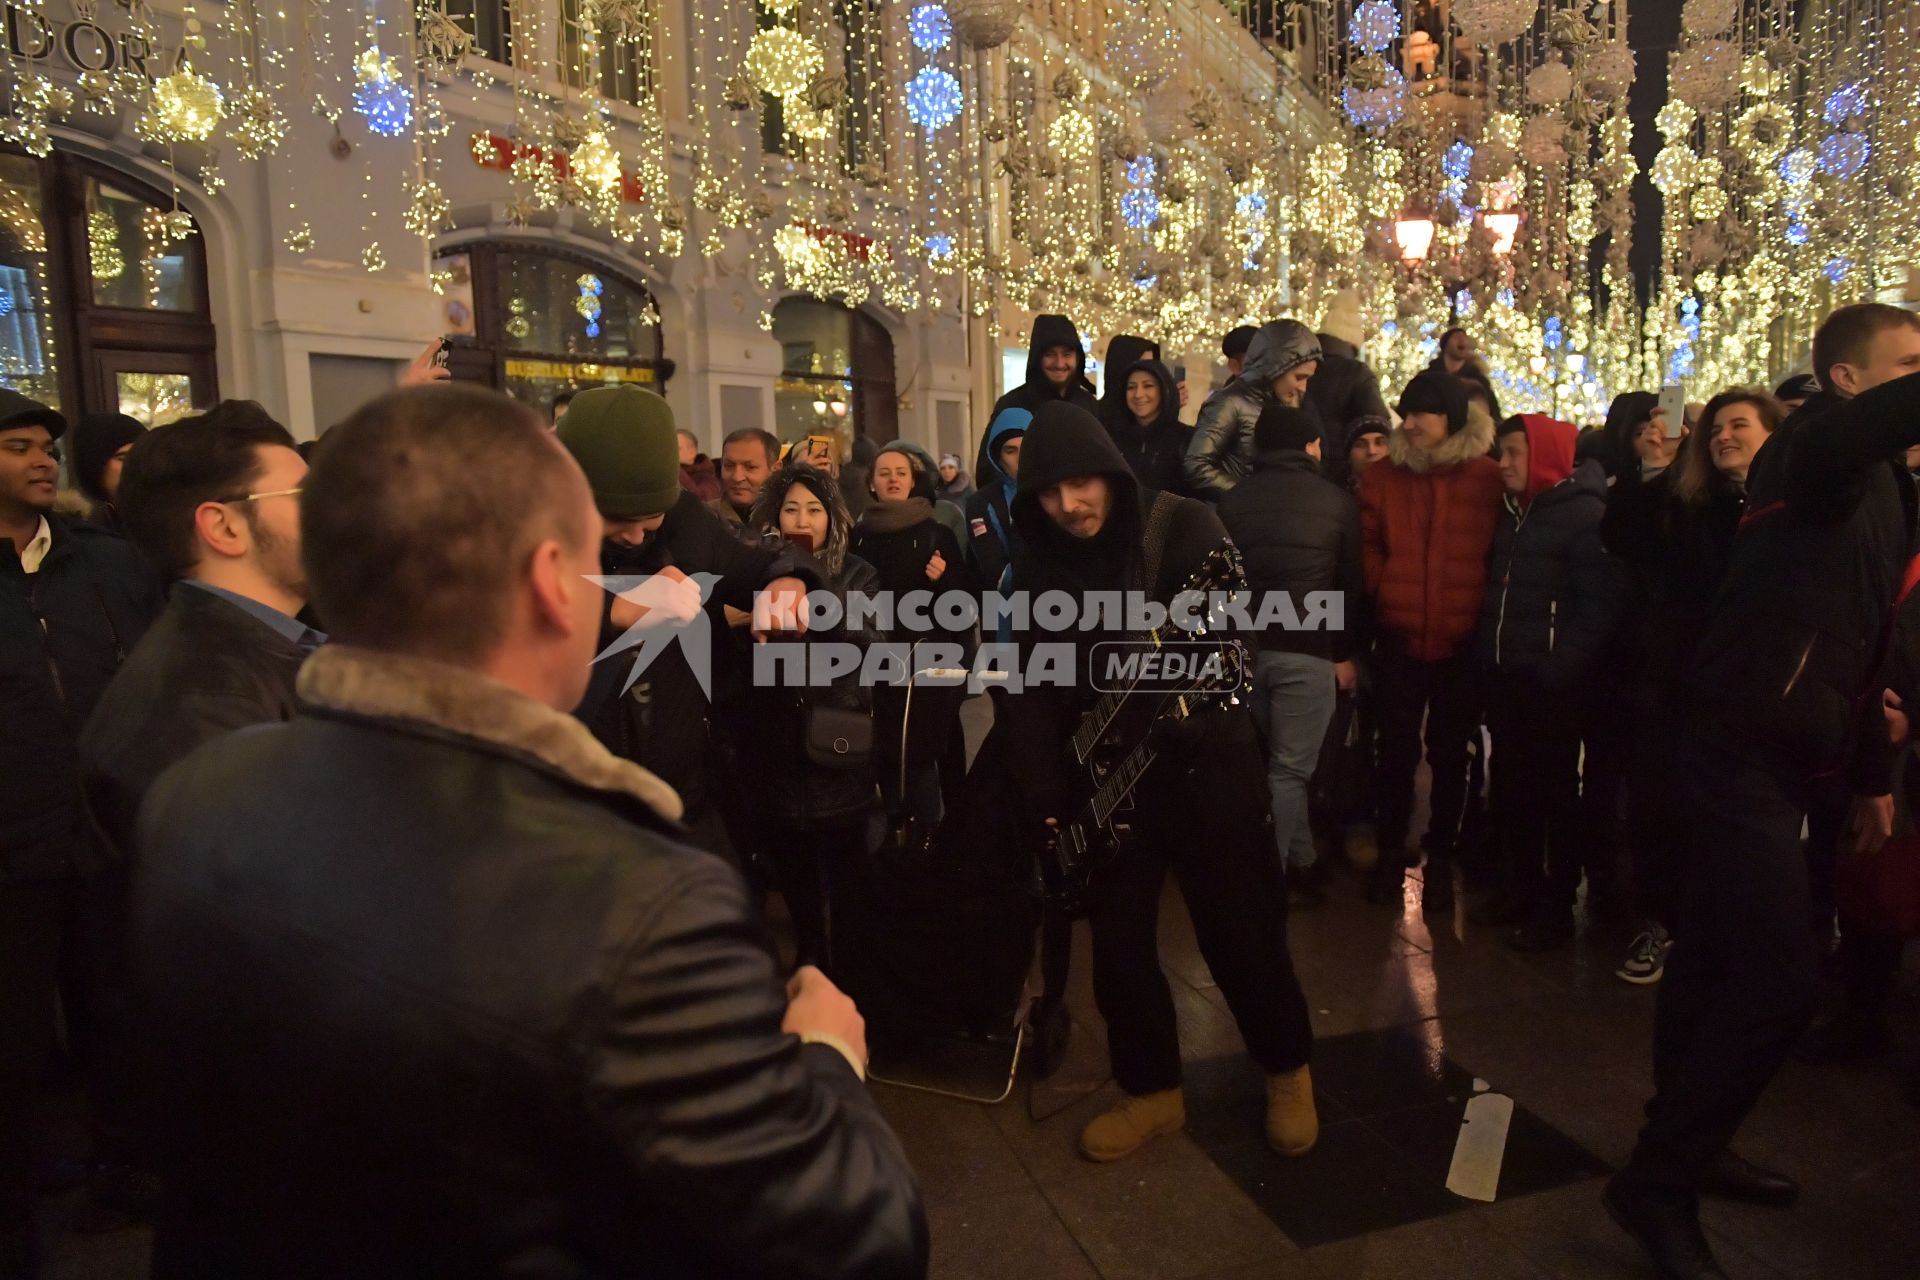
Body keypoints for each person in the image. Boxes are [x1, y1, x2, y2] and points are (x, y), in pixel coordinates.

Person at [126, 383, 926, 1278]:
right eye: (600, 553)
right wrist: (824, 1057)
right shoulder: (644, 908)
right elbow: (854, 1235)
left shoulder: (198, 793)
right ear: (554, 584)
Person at [1606, 306, 1920, 1279]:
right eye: (1909, 364)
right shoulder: (1813, 452)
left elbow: (1860, 647)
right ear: (1847, 379)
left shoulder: (1885, 491)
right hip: (1736, 744)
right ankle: (1658, 1180)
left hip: (1792, 752)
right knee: (1783, 978)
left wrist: (1873, 776)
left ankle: (1689, 1145)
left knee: (1707, 951)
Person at [999, 401, 1317, 1164]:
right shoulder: (1039, 559)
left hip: (1210, 771)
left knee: (1242, 932)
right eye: (1048, 493)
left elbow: (1228, 649)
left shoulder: (1183, 527)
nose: (1068, 507)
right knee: (1120, 952)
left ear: (1109, 472)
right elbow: (1034, 686)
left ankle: (1287, 1071)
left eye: (1080, 484)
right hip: (1107, 782)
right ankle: (1153, 1092)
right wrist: (1046, 791)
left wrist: (1185, 713)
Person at [72, 403, 315, 1212]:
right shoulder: (200, 703)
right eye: (303, 497)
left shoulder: (259, 652)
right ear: (224, 526)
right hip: (270, 1136)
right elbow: (283, 949)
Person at [1, 389, 158, 1276]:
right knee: (16, 1040)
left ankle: (127, 1175)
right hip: (11, 847)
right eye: (17, 445)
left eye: (46, 447)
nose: (39, 460)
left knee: (116, 1014)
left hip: (100, 830)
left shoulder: (102, 562)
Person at [558, 387, 820, 858]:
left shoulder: (688, 522)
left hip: (683, 798)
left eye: (651, 517)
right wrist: (608, 611)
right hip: (573, 811)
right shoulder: (520, 531)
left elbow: (771, 557)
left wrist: (789, 581)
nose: (637, 535)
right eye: (616, 518)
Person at [1602, 389, 1781, 985]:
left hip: (1757, 689)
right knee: (1659, 806)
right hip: (1678, 682)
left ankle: (1730, 935)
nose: (1724, 436)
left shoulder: (1792, 503)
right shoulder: (1692, 500)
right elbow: (1625, 536)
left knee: (1735, 820)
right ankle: (1663, 921)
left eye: (1739, 425)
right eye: (1716, 428)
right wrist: (1655, 467)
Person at [1471, 415, 1624, 951]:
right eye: (1502, 452)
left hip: (1552, 684)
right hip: (1508, 675)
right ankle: (1522, 887)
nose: (1504, 464)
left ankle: (1556, 904)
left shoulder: (1584, 515)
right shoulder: (1514, 512)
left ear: (1549, 456)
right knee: (1511, 788)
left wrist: (1560, 667)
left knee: (1555, 793)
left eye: (1515, 453)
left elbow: (1598, 608)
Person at [1357, 371, 1502, 911]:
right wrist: (1384, 583)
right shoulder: (1383, 476)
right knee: (1394, 751)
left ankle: (1442, 854)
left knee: (1450, 753)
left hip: (1461, 639)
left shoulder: (1486, 478)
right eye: (1406, 413)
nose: (1410, 424)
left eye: (1423, 414)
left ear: (1452, 419)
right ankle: (1392, 851)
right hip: (1398, 635)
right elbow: (1367, 541)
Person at [1219, 401, 1363, 907]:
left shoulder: (1233, 501)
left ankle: (1303, 862)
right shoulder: (1337, 502)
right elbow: (1350, 587)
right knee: (1289, 771)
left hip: (1249, 654)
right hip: (1309, 653)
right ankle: (1267, 885)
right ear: (1311, 446)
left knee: (1277, 768)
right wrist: (1345, 654)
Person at [743, 462, 884, 971]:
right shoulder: (755, 571)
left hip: (838, 739)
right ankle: (809, 951)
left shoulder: (858, 573)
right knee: (793, 865)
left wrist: (818, 605)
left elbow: (875, 645)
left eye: (814, 509)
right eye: (791, 508)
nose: (803, 519)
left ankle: (851, 967)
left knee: (848, 866)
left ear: (833, 517)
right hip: (775, 741)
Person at [852, 448, 975, 830]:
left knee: (918, 759)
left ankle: (929, 841)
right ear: (872, 483)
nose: (891, 479)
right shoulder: (857, 537)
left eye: (900, 472)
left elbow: (965, 607)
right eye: (884, 472)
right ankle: (892, 846)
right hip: (870, 668)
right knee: (879, 758)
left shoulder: (935, 533)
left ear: (912, 480)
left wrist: (944, 581)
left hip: (922, 672)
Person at [1185, 319, 1325, 499]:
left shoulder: (1287, 403)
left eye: (1307, 378)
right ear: (1277, 367)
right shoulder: (1229, 402)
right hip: (1233, 518)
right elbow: (1197, 465)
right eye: (1299, 377)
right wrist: (1251, 495)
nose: (1303, 387)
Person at [965, 407, 1029, 620]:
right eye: (1010, 451)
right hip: (1005, 620)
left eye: (1027, 447)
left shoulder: (1059, 493)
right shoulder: (981, 503)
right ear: (997, 457)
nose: (1021, 458)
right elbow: (998, 575)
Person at [1309, 290, 1391, 447]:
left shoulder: (1300, 367)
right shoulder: (1357, 372)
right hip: (1340, 463)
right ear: (1353, 341)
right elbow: (1377, 425)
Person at [989, 314, 1099, 420]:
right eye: (1050, 355)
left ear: (1078, 358)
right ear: (1037, 358)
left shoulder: (1091, 406)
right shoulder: (1012, 406)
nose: (1059, 364)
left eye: (1067, 355)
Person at [1104, 357, 1188, 495]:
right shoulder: (1111, 437)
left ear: (1163, 390)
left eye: (1148, 386)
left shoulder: (1185, 438)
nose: (1138, 394)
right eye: (1131, 387)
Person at [66, 413, 144, 532]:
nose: (136, 465)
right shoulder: (77, 537)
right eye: (122, 458)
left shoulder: (168, 519)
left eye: (142, 456)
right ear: (95, 465)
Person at [713, 427, 780, 529]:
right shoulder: (701, 518)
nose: (737, 477)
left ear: (776, 469)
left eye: (750, 467)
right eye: (729, 466)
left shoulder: (793, 520)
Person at [1097, 334, 1160, 421]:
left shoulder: (1148, 418)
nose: (1148, 371)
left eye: (1151, 365)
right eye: (1141, 365)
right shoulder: (1095, 419)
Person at [677, 427, 722, 503]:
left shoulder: (706, 475)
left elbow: (700, 501)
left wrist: (675, 469)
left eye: (676, 448)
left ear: (692, 452)